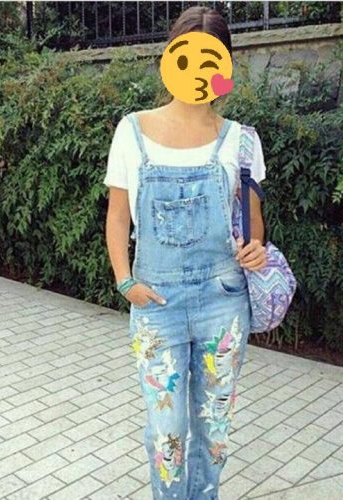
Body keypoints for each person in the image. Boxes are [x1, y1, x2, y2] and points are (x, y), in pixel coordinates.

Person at [103, 6, 267, 499]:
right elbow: (117, 216)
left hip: (223, 302)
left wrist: (255, 250)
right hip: (157, 306)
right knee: (167, 434)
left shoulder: (241, 140)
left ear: (225, 68)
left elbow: (253, 223)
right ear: (170, 59)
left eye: (210, 61)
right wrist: (125, 281)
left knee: (213, 432)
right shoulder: (132, 131)